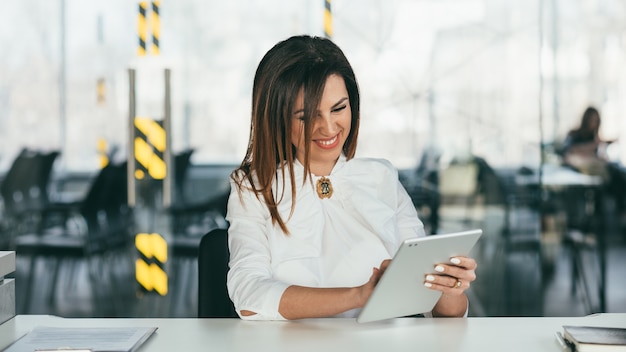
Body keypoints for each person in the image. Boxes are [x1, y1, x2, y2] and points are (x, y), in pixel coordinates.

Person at [226, 35, 477, 321]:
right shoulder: (254, 188)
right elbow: (249, 296)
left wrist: (448, 290)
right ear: (277, 117)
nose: (328, 127)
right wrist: (358, 295)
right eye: (307, 116)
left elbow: (435, 311)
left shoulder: (381, 177)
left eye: (338, 108)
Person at [560, 106, 626, 212]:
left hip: (599, 171)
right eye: (592, 120)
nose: (593, 124)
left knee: (618, 172)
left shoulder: (594, 137)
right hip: (581, 171)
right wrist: (595, 145)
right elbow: (568, 152)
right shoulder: (574, 135)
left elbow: (599, 156)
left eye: (596, 121)